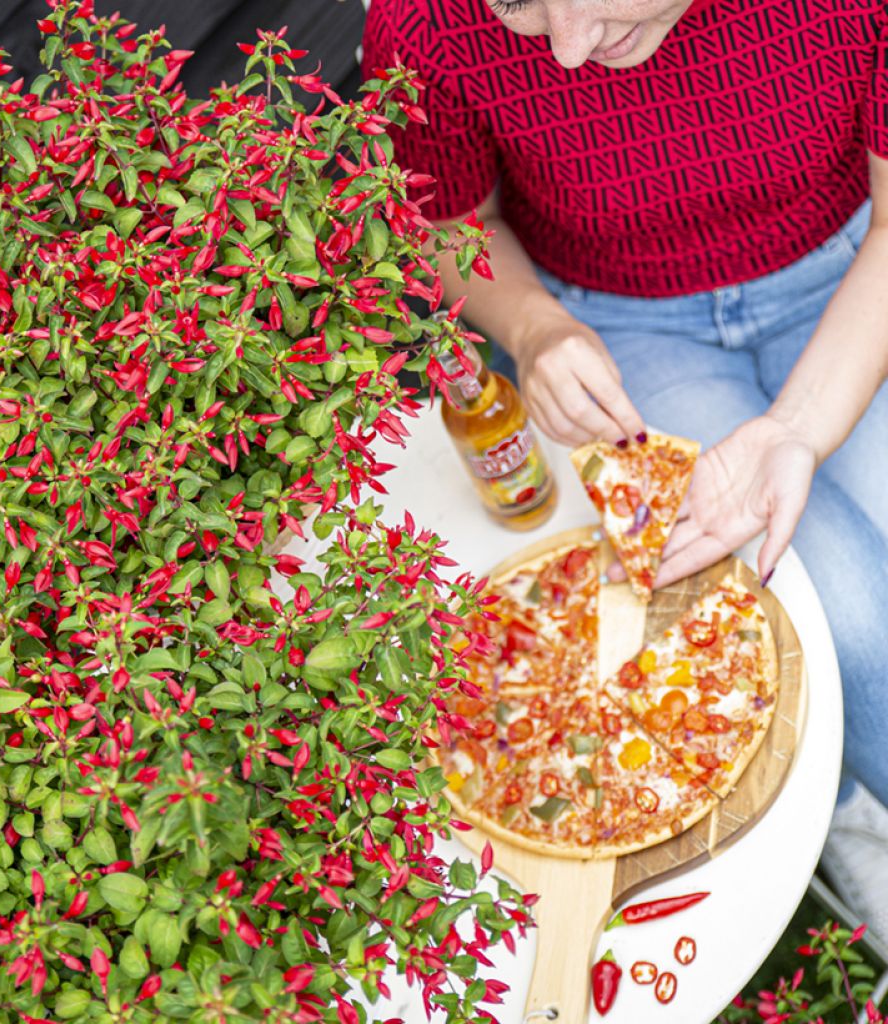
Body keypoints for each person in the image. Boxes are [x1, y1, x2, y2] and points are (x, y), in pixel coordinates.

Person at [363, 0, 888, 933]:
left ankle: (840, 785)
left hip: (854, 268)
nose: (566, 51)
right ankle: (850, 809)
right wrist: (533, 328)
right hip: (630, 322)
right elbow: (447, 218)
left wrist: (798, 427)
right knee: (840, 611)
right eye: (518, 4)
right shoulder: (427, 19)